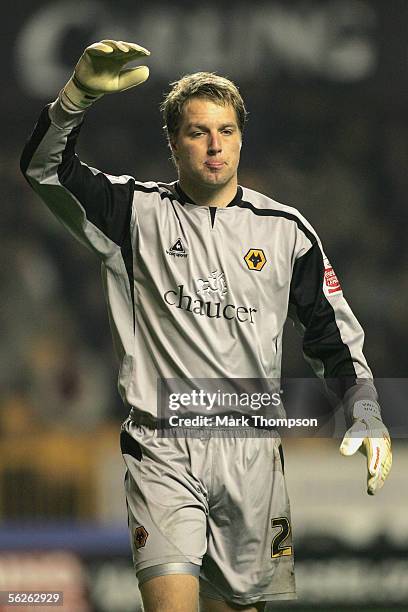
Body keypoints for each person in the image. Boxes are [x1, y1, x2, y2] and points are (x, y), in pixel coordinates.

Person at [21, 40, 392, 612]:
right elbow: (43, 168)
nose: (215, 144)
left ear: (242, 137)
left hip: (252, 457)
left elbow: (332, 335)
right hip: (162, 448)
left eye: (226, 130)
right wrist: (77, 96)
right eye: (197, 132)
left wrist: (363, 408)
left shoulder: (285, 232)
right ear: (173, 143)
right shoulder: (132, 213)